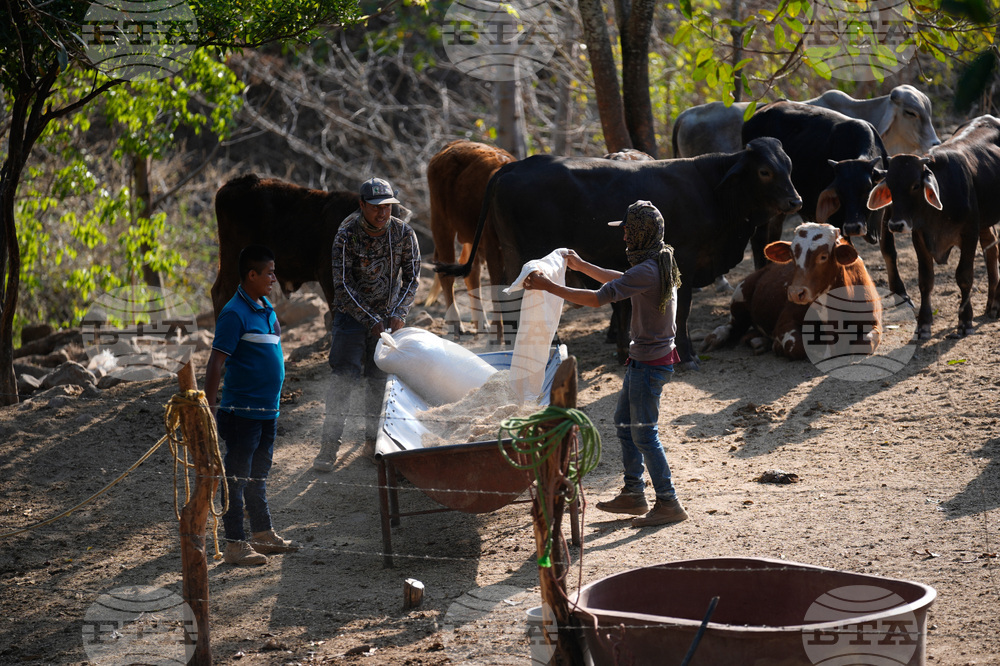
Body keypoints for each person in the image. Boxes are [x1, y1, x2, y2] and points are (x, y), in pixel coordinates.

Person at [522, 200, 688, 527]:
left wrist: (548, 286)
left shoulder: (649, 268)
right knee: (625, 423)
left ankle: (668, 502)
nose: (624, 235)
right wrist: (582, 266)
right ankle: (634, 493)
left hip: (650, 364)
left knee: (644, 434)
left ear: (641, 232)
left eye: (628, 229)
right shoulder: (658, 260)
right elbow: (623, 280)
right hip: (648, 360)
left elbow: (598, 298)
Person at [313, 177, 421, 472]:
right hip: (350, 316)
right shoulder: (346, 234)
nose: (382, 213)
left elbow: (412, 278)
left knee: (379, 381)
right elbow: (342, 285)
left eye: (387, 206)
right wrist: (370, 319)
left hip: (387, 316)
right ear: (362, 205)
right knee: (343, 378)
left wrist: (399, 312)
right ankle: (329, 446)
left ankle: (373, 443)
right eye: (375, 207)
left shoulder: (403, 233)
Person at [205, 244, 298, 565]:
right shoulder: (234, 313)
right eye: (269, 272)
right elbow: (216, 362)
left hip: (267, 411)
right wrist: (211, 407)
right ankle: (234, 544)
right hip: (241, 413)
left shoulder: (266, 308)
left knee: (259, 476)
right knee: (237, 478)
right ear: (251, 275)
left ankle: (262, 533)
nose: (274, 278)